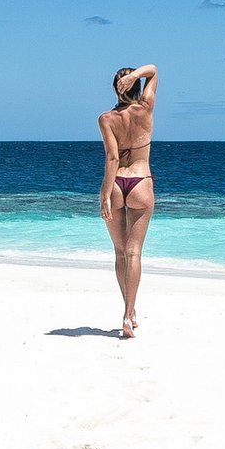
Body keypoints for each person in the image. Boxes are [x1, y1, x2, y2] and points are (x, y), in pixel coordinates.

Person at [97, 64, 156, 338]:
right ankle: (128, 314)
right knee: (134, 253)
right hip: (141, 182)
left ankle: (129, 312)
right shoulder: (145, 109)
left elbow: (112, 158)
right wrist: (136, 76)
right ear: (135, 86)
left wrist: (105, 194)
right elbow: (153, 71)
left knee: (120, 253)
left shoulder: (106, 119)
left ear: (115, 88)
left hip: (117, 184)